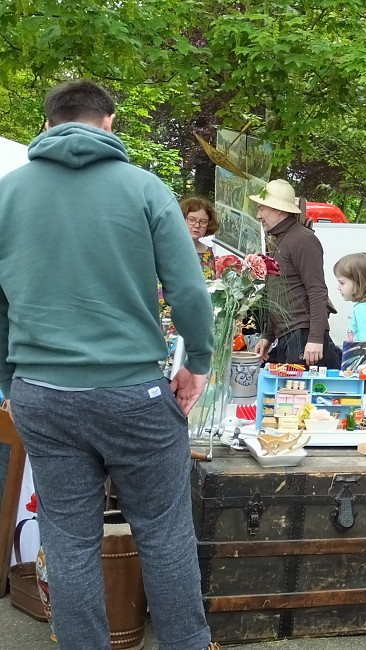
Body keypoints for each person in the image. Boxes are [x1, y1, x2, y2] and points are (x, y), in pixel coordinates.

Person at [0, 79, 215, 650]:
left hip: (42, 392)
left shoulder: (7, 194)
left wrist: (7, 382)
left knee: (68, 540)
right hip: (132, 393)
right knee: (165, 534)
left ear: (45, 125)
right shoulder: (144, 188)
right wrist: (197, 359)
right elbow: (188, 290)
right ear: (110, 122)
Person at [251, 179, 339, 367]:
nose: (259, 215)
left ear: (278, 209)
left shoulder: (302, 239)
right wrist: (268, 335)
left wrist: (315, 338)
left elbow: (317, 290)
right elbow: (278, 293)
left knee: (302, 395)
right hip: (290, 335)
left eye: (261, 208)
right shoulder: (280, 239)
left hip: (303, 335)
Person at [180, 196, 219, 279]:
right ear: (181, 219)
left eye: (203, 222)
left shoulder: (208, 252)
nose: (197, 225)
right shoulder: (169, 250)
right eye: (192, 220)